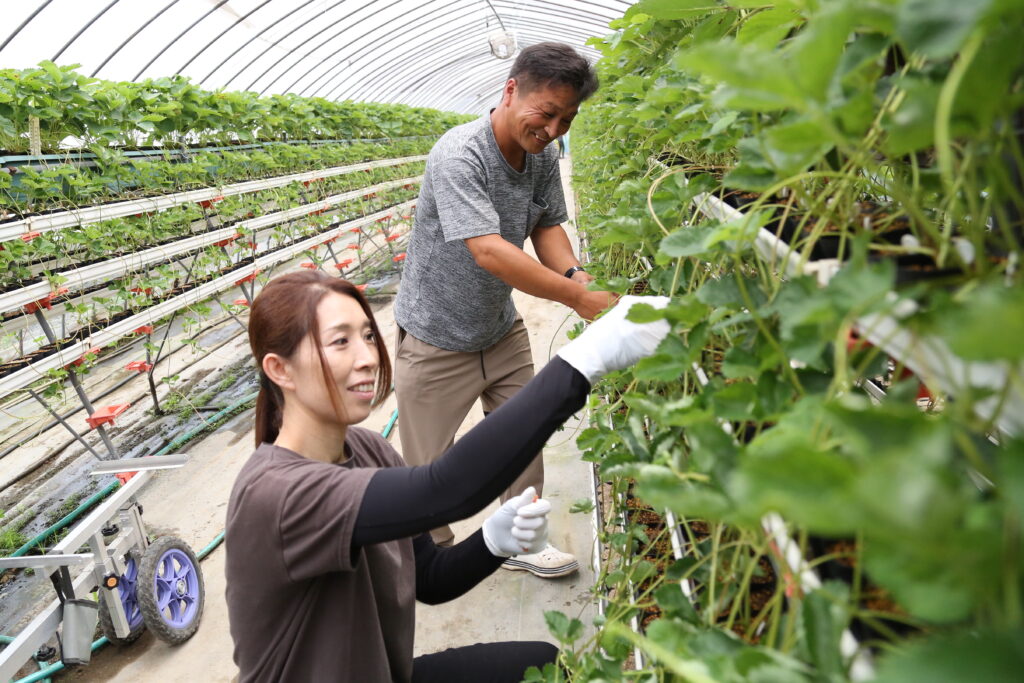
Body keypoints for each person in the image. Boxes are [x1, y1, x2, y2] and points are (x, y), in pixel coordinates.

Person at [224, 270, 669, 682]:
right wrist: (582, 362)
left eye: (367, 335)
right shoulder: (277, 494)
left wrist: (493, 543)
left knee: (540, 666)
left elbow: (431, 578)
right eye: (340, 343)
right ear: (279, 370)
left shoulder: (368, 450)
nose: (367, 358)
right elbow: (447, 488)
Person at [392, 42, 610, 577]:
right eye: (547, 113)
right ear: (511, 90)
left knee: (524, 433)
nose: (555, 129)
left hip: (500, 327)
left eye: (567, 118)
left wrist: (574, 275)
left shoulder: (543, 155)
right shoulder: (459, 152)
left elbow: (545, 225)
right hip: (436, 333)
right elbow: (488, 250)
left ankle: (524, 541)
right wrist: (576, 298)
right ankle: (426, 556)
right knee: (427, 465)